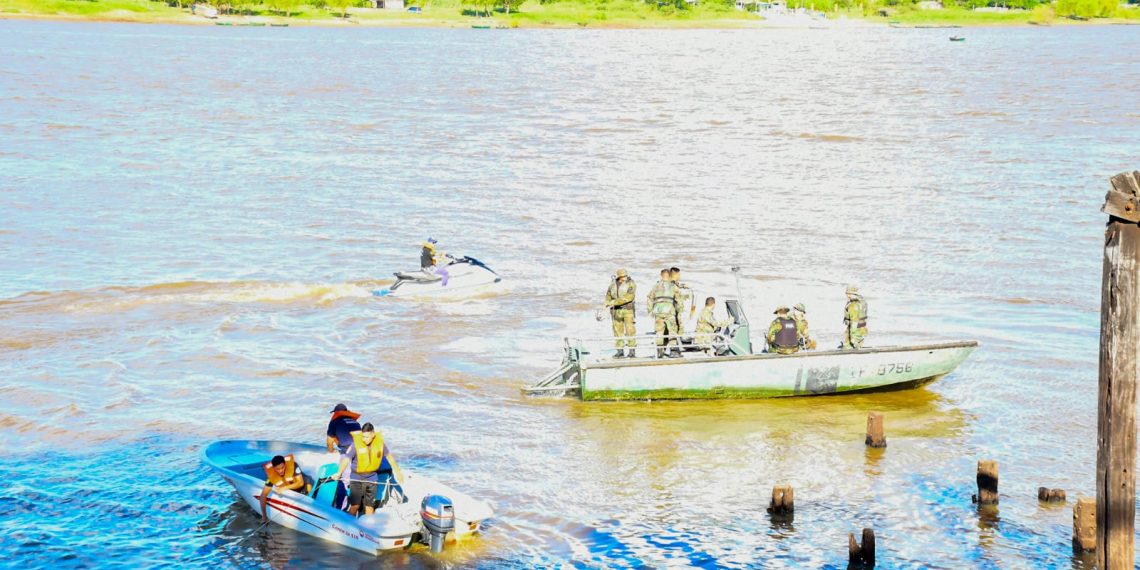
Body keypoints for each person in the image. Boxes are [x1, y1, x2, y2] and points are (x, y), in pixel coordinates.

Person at [335, 423, 392, 517]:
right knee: (355, 506)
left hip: (371, 478)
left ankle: (370, 528)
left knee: (369, 507)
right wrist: (338, 473)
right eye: (363, 436)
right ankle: (348, 526)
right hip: (356, 478)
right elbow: (346, 459)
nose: (364, 439)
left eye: (367, 437)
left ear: (373, 434)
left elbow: (389, 458)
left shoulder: (379, 444)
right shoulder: (355, 445)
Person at [260, 454, 309, 523]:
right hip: (295, 492)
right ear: (274, 468)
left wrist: (284, 488)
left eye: (282, 467)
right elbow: (263, 495)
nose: (281, 471)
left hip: (306, 484)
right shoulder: (271, 477)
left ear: (285, 465)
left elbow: (300, 483)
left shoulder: (294, 466)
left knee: (309, 486)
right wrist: (264, 516)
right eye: (278, 469)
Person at [647, 268, 682, 358]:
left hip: (658, 312)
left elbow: (649, 298)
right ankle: (673, 351)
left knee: (659, 332)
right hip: (670, 312)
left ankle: (659, 351)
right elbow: (679, 300)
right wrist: (679, 312)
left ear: (661, 276)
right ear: (669, 276)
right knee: (672, 331)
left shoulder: (655, 286)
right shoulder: (673, 286)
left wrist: (650, 311)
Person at [603, 268, 637, 358]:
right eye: (623, 276)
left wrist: (613, 302)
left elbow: (629, 297)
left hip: (627, 311)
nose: (625, 278)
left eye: (626, 276)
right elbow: (608, 296)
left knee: (630, 331)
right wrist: (606, 303)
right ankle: (620, 351)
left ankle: (632, 351)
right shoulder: (612, 285)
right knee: (617, 331)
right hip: (615, 311)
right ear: (619, 276)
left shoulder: (631, 284)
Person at [841, 285, 869, 349]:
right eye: (847, 293)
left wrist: (854, 340)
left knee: (849, 346)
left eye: (849, 294)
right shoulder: (860, 302)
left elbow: (854, 322)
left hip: (855, 329)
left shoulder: (854, 305)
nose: (848, 296)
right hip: (860, 328)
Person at [669, 267, 694, 337]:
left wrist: (683, 286)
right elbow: (678, 298)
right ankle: (677, 343)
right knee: (678, 328)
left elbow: (677, 285)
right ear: (675, 274)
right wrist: (688, 296)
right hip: (673, 311)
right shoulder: (672, 285)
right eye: (679, 275)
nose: (680, 276)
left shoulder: (671, 283)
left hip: (672, 311)